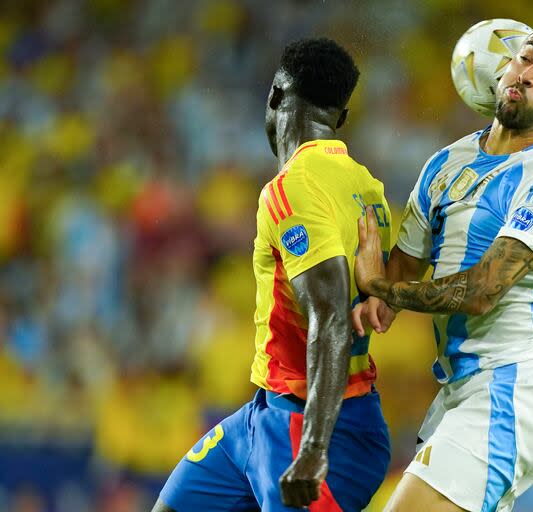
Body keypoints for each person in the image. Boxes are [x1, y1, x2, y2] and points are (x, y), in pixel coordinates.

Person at [353, 12, 533, 512]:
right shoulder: (445, 164)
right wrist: (376, 295)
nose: (528, 73)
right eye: (526, 56)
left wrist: (383, 290)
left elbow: (479, 292)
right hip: (461, 390)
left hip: (517, 387)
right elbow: (401, 271)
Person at [153, 38, 392, 512]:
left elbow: (331, 317)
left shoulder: (291, 189)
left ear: (276, 95)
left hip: (315, 428)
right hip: (265, 415)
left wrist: (313, 451)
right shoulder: (369, 188)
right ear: (340, 120)